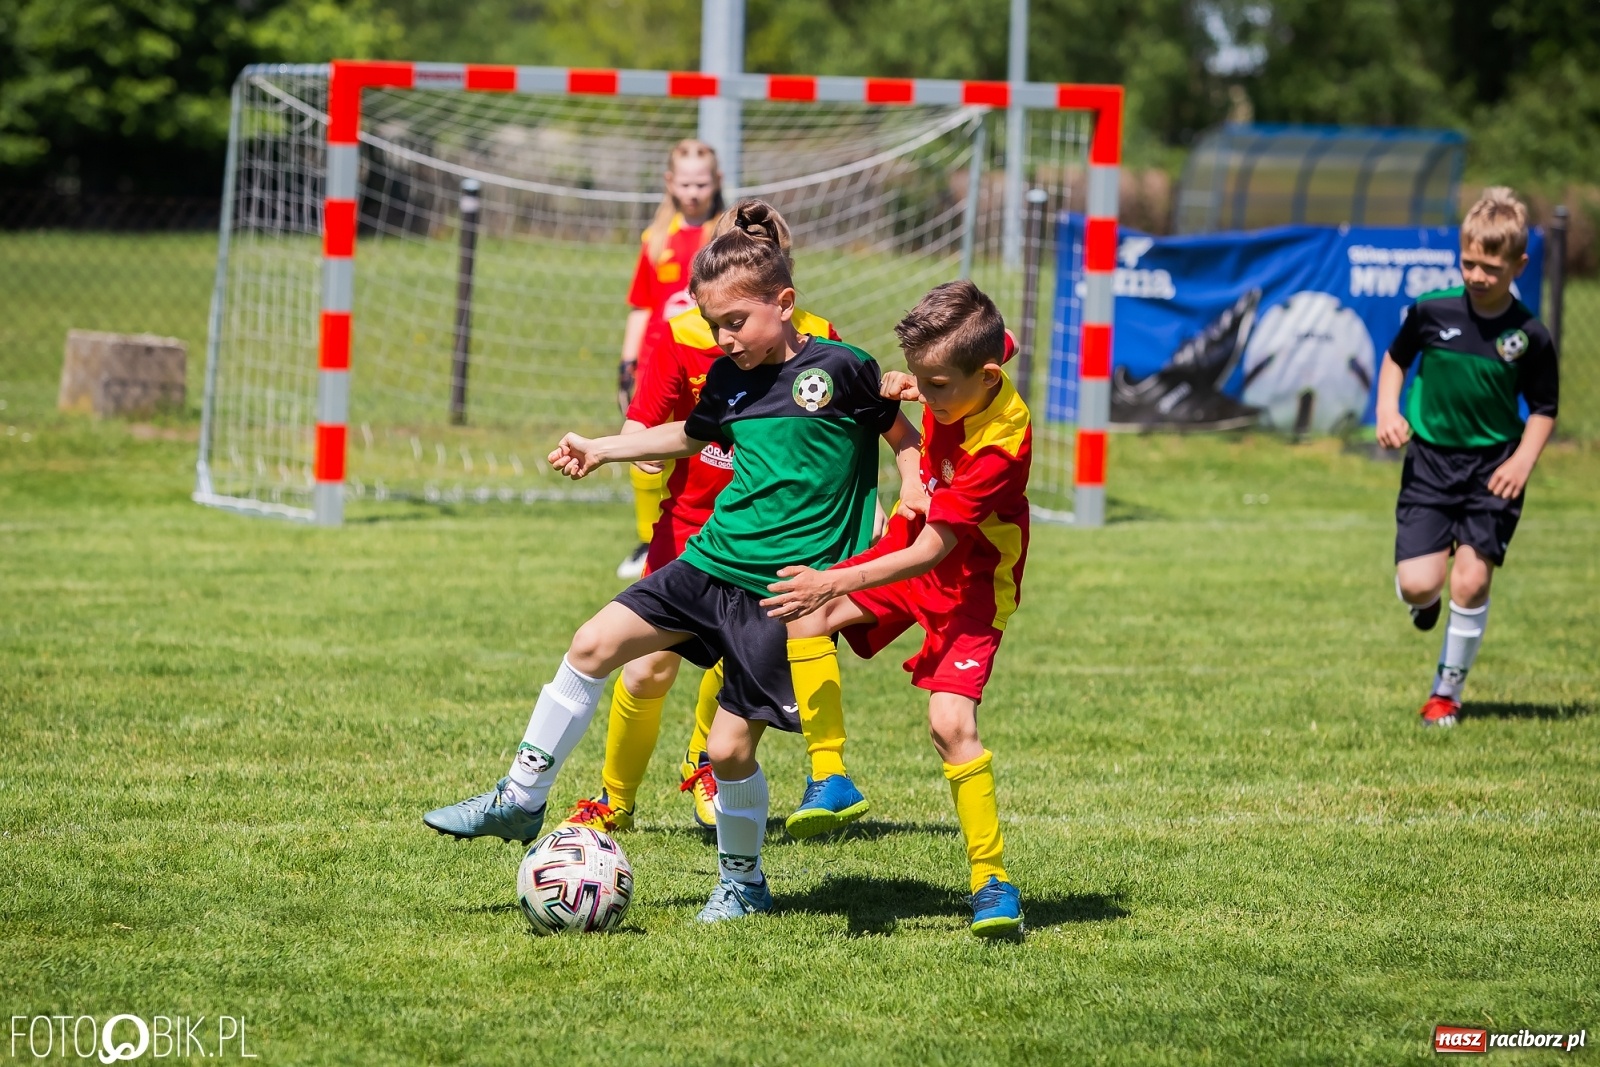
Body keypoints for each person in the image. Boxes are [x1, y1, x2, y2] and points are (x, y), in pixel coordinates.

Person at [422, 201, 924, 924]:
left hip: (776, 594)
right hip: (708, 562)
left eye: (736, 323)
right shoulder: (729, 379)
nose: (724, 339)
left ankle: (744, 882)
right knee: (593, 643)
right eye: (714, 324)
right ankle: (519, 798)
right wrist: (601, 446)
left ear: (785, 304)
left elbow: (900, 433)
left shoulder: (843, 368)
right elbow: (687, 439)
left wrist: (909, 479)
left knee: (726, 752)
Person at [563, 223, 869, 836]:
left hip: (771, 534)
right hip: (692, 528)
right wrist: (620, 450)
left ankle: (710, 767)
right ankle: (614, 799)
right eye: (715, 321)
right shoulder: (682, 335)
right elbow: (653, 423)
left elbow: (852, 431)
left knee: (736, 668)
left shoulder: (822, 342)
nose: (724, 336)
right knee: (645, 667)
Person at [758, 280, 1031, 937]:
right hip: (911, 546)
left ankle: (992, 880)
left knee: (949, 723)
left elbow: (938, 549)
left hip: (968, 587)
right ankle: (831, 776)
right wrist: (916, 382)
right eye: (925, 377)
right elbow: (979, 341)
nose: (928, 395)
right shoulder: (973, 356)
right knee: (803, 614)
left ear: (987, 377)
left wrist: (834, 579)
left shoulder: (999, 448)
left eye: (940, 386)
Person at [1376, 187, 1559, 727]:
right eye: (1469, 263)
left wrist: (1522, 462)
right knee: (1417, 583)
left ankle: (1445, 694)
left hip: (1493, 469)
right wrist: (1389, 411)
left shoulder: (1529, 335)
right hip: (1431, 463)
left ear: (1518, 265)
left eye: (1491, 267)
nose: (1477, 276)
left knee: (1472, 581)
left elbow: (1545, 408)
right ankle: (1425, 601)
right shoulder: (1432, 312)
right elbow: (1394, 359)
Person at [616, 140, 724, 580]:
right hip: (657, 364)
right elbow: (642, 305)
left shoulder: (723, 236)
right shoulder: (655, 238)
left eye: (702, 182)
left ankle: (710, 535)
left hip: (706, 361)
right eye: (686, 183)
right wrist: (627, 361)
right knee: (641, 446)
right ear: (670, 183)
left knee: (705, 455)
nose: (694, 191)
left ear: (716, 182)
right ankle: (647, 539)